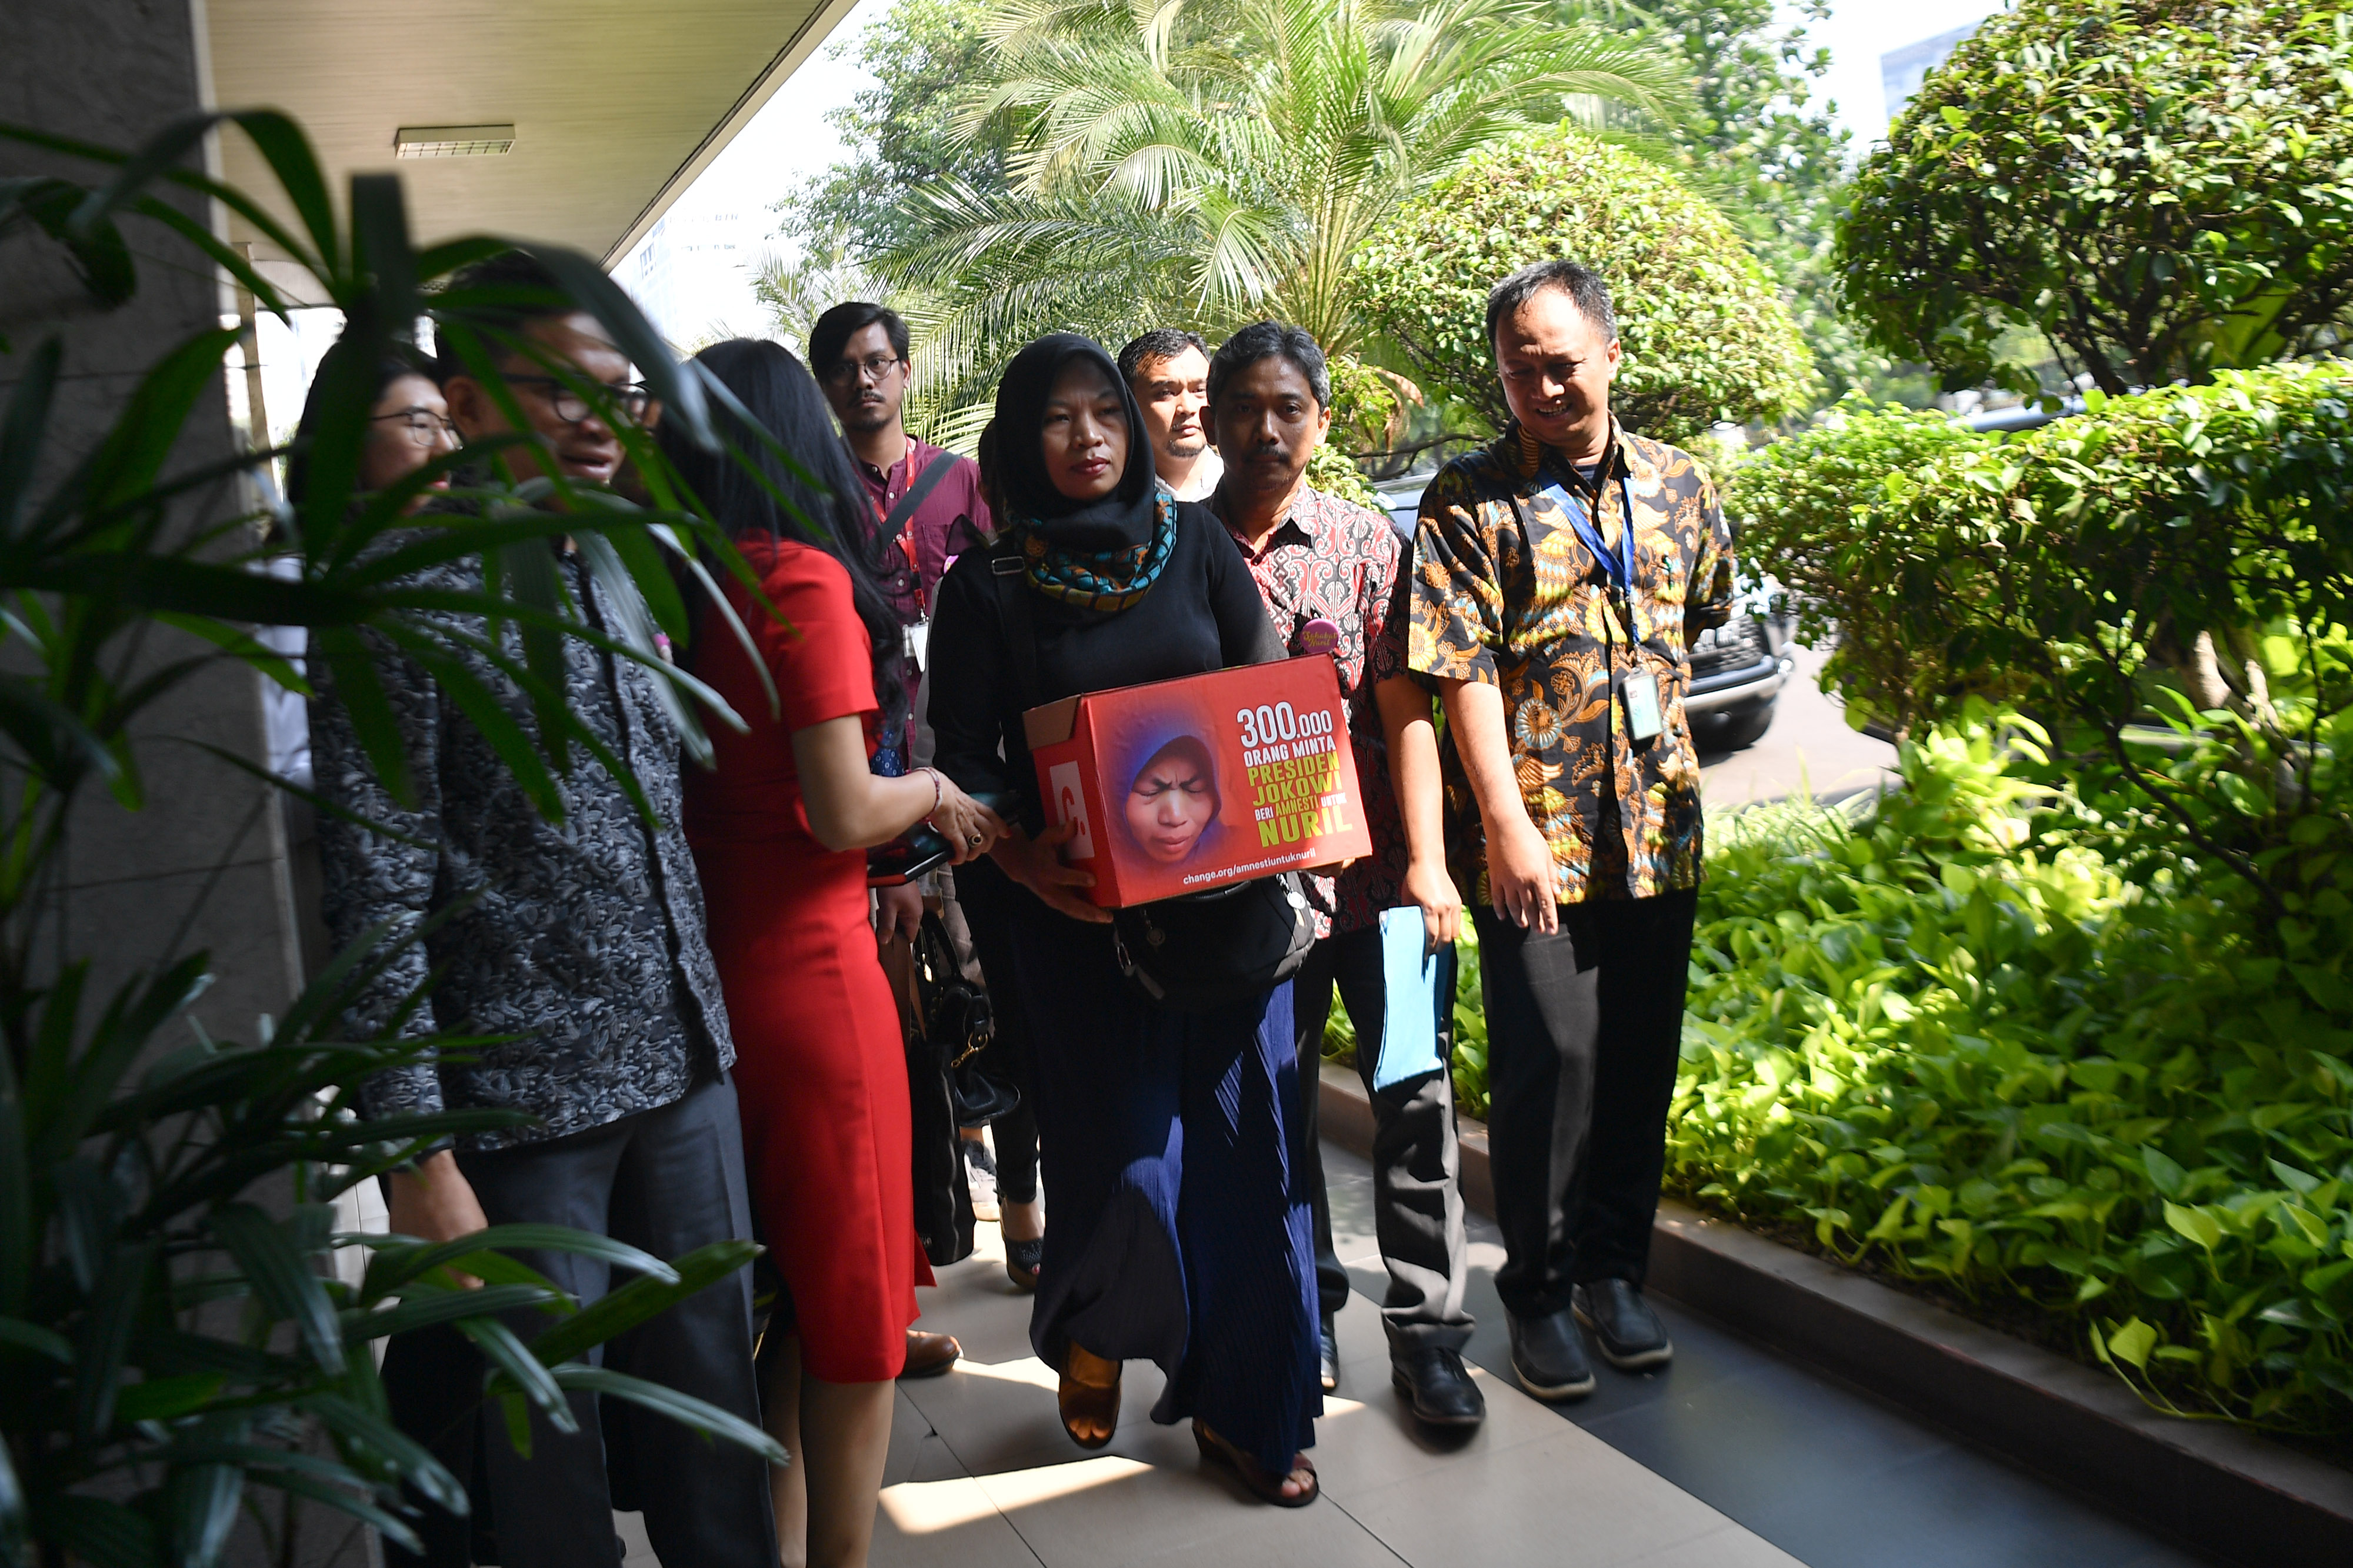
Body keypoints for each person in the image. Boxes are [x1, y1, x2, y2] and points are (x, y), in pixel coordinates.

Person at [312, 251, 775, 1568]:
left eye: (620, 395)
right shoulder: (402, 601)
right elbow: (375, 898)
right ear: (465, 400)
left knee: (710, 1425)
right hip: (517, 1121)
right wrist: (418, 1164)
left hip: (682, 1072)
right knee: (547, 1467)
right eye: (556, 391)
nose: (596, 422)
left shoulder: (624, 564)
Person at [926, 334, 1324, 1506]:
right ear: (1016, 439)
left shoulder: (1192, 542)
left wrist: (1294, 813)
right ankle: (1095, 1326)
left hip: (1228, 924)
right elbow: (962, 767)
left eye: (1106, 412)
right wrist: (1031, 865)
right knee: (1130, 1171)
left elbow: (1256, 700)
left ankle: (1249, 1410)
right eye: (1058, 418)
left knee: (1248, 1171)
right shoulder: (985, 588)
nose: (1090, 436)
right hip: (1078, 930)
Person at [660, 338, 1005, 1568]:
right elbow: (838, 811)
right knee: (853, 1321)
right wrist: (927, 788)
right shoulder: (795, 581)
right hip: (814, 986)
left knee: (793, 1310)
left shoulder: (675, 586)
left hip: (719, 981)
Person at [1408, 260, 1734, 1402]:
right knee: (1553, 1063)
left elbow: (1697, 614)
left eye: (1557, 360)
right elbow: (1460, 671)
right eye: (1516, 368)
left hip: (1655, 829)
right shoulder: (1468, 497)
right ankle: (1537, 1295)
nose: (1539, 384)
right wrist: (1500, 823)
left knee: (1637, 1062)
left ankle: (1614, 1274)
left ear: (1607, 351)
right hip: (1532, 836)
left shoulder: (1683, 485)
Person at [1204, 321, 1483, 1430]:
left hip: (1389, 902)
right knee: (1274, 1119)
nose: (1268, 430)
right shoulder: (1178, 555)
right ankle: (1304, 1311)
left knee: (1415, 1100)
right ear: (1214, 419)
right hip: (1250, 910)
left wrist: (1428, 863)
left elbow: (1410, 716)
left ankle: (1429, 1336)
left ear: (1320, 421)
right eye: (1247, 408)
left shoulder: (1370, 546)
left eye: (1290, 409)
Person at [808, 302, 1021, 1296]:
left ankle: (1020, 1205)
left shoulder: (961, 484)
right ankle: (931, 1219)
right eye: (846, 367)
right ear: (825, 385)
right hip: (875, 789)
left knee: (990, 989)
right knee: (906, 1013)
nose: (865, 381)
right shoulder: (812, 497)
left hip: (966, 774)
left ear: (905, 372)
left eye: (880, 362)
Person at [1119, 328, 1222, 501]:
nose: (1188, 408)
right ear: (1129, 405)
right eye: (1166, 393)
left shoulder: (1246, 489)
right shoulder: (1113, 499)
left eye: (1199, 390)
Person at [1122, 735, 1221, 863]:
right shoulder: (1096, 861)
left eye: (1195, 789)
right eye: (1149, 791)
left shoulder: (1239, 851)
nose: (1176, 818)